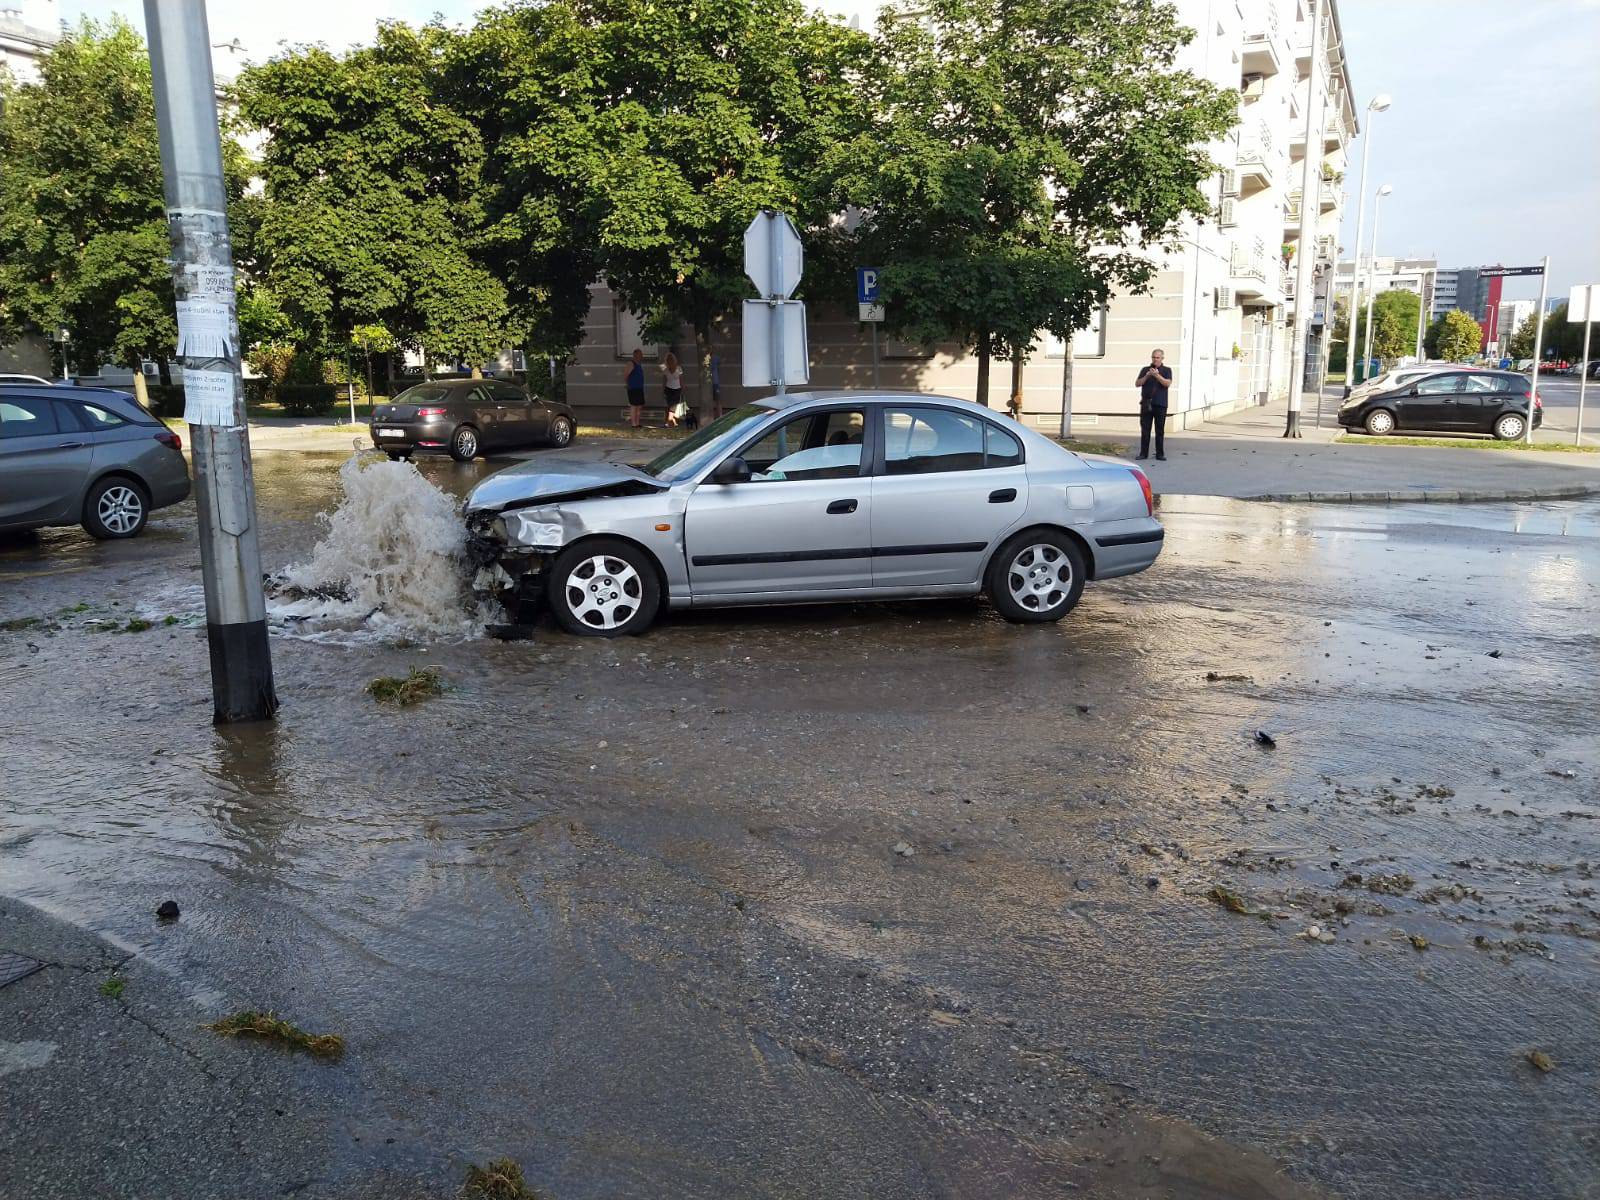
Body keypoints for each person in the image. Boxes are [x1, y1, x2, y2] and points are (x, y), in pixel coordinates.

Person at [1135, 349, 1173, 461]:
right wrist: (1147, 376)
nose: (1155, 359)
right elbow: (1137, 384)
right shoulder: (1145, 370)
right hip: (1146, 403)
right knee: (1145, 430)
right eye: (1153, 357)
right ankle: (1143, 453)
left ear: (1162, 358)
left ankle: (1160, 454)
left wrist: (1157, 376)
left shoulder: (1167, 370)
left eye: (1157, 357)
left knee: (1159, 430)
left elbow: (1167, 383)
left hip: (1160, 404)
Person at [662, 351, 685, 428]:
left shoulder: (665, 369)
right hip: (677, 389)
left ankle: (670, 422)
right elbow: (681, 380)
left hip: (668, 388)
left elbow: (664, 381)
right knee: (673, 407)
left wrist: (663, 390)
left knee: (669, 406)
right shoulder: (678, 368)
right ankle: (669, 422)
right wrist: (683, 388)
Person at [624, 349, 645, 429]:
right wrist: (627, 384)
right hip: (633, 388)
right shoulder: (631, 363)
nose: (642, 356)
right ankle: (633, 424)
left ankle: (637, 423)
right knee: (634, 405)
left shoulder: (639, 364)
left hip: (639, 388)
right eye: (640, 354)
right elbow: (626, 375)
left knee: (639, 405)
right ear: (636, 355)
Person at [709, 353, 723, 420]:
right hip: (708, 383)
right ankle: (713, 416)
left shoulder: (715, 357)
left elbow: (719, 364)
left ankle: (720, 415)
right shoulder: (704, 358)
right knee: (711, 400)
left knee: (717, 399)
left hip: (715, 382)